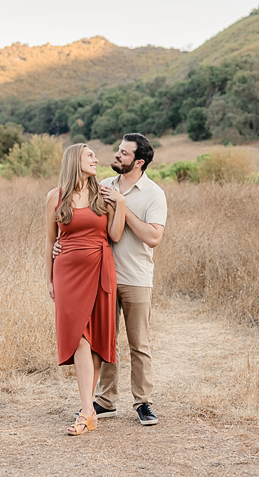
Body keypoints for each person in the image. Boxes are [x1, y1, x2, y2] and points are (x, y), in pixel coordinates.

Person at [57, 133, 167, 426]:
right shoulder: (102, 185)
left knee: (138, 342)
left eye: (124, 153)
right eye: (118, 150)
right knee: (103, 341)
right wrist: (62, 244)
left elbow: (153, 237)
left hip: (136, 277)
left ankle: (143, 402)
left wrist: (122, 205)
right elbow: (84, 223)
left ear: (139, 161)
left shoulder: (153, 193)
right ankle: (105, 400)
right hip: (99, 276)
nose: (116, 156)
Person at [45, 143, 126, 436]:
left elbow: (115, 235)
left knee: (92, 340)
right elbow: (49, 241)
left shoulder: (102, 195)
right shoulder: (56, 197)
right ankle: (88, 409)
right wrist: (49, 278)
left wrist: (122, 205)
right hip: (66, 273)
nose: (96, 159)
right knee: (77, 336)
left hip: (100, 268)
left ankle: (86, 411)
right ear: (74, 160)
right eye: (89, 155)